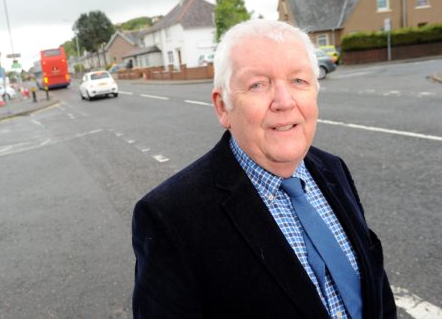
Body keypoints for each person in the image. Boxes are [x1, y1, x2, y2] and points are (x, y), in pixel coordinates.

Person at [131, 19, 396, 318]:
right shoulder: (169, 217)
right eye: (258, 84)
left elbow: (374, 282)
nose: (284, 102)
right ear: (223, 107)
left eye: (299, 81)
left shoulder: (333, 169)